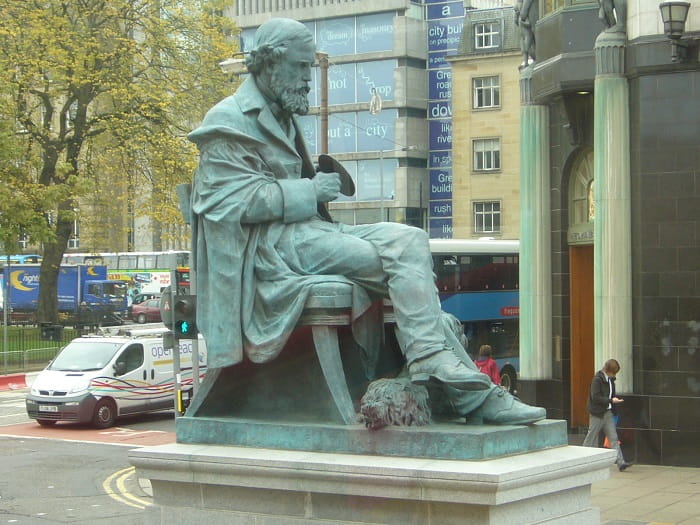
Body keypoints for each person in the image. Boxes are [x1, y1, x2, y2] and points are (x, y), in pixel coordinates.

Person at [188, 17, 545, 425]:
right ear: (271, 62)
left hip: (310, 232)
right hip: (271, 248)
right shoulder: (228, 120)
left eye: (310, 67)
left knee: (410, 240)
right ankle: (469, 392)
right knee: (391, 267)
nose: (308, 78)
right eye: (302, 67)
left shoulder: (282, 113)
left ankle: (430, 359)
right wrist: (310, 192)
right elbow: (228, 203)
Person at [582, 359, 632, 471]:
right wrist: (610, 400)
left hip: (607, 413)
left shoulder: (610, 380)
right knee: (591, 437)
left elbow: (611, 394)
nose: (615, 375)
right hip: (597, 413)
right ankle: (582, 460)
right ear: (608, 370)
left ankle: (621, 462)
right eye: (614, 372)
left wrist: (613, 405)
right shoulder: (597, 380)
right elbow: (595, 397)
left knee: (613, 438)